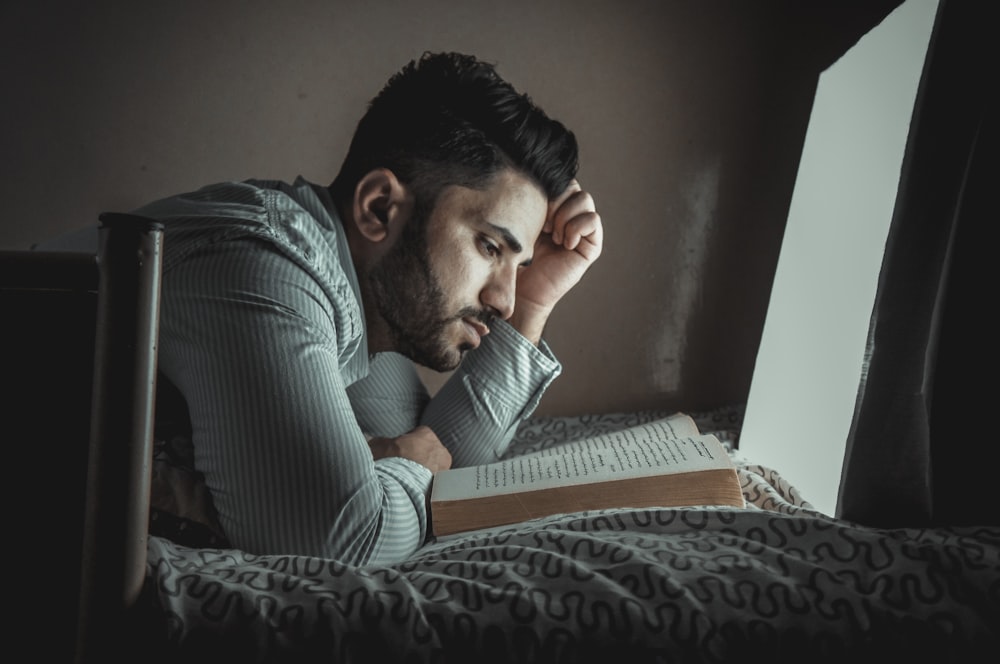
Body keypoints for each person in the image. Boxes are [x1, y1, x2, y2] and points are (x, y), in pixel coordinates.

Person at [134, 51, 602, 565]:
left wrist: (534, 304)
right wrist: (403, 462)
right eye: (490, 248)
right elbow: (338, 539)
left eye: (519, 265)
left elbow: (446, 461)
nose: (503, 300)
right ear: (379, 207)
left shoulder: (364, 301)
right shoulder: (263, 271)